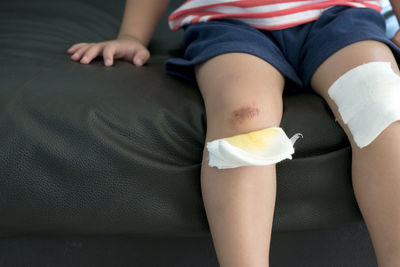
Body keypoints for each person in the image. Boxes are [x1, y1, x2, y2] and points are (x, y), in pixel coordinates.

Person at [67, 0, 400, 266]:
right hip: (232, 22)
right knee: (243, 118)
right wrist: (132, 36)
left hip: (343, 17)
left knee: (382, 103)